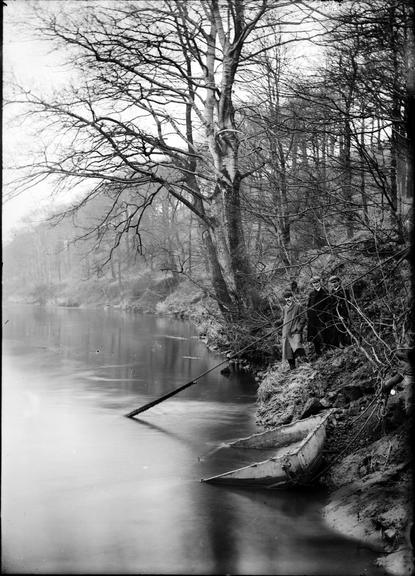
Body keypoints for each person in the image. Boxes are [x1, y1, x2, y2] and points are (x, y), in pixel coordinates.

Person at [281, 289, 307, 370]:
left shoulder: (298, 306)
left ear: (292, 297)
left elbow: (303, 318)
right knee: (288, 350)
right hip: (286, 332)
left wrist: (298, 328)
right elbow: (283, 319)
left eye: (289, 297)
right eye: (286, 297)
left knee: (298, 347)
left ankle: (305, 364)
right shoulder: (284, 308)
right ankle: (292, 367)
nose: (288, 299)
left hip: (295, 331)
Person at [307, 275, 330, 357]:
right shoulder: (311, 294)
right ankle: (318, 351)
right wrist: (309, 315)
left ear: (320, 282)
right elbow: (308, 305)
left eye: (317, 282)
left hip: (322, 316)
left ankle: (328, 348)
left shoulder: (325, 292)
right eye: (314, 283)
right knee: (313, 334)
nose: (315, 284)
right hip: (313, 318)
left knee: (325, 332)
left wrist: (322, 313)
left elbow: (328, 304)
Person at [327, 275, 352, 347]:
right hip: (336, 314)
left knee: (346, 327)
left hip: (344, 313)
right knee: (338, 328)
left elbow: (347, 303)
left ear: (338, 282)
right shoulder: (331, 293)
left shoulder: (344, 291)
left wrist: (343, 315)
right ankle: (342, 343)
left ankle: (349, 342)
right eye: (332, 283)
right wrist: (334, 315)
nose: (333, 284)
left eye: (335, 282)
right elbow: (331, 305)